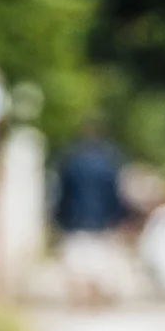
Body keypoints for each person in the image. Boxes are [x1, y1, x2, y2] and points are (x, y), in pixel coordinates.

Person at [53, 119, 132, 305]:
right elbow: (115, 195)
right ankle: (93, 302)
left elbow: (62, 194)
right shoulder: (109, 163)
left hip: (74, 221)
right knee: (98, 267)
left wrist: (59, 218)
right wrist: (118, 217)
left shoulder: (71, 162)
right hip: (101, 222)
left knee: (77, 267)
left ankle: (80, 301)